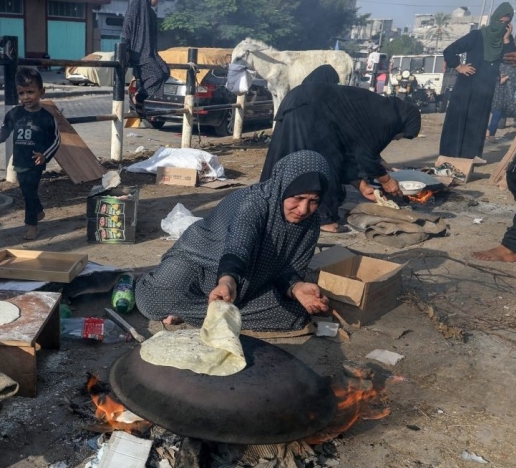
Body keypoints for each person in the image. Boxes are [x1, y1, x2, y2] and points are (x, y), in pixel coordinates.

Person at [135, 150, 331, 331]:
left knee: (294, 316)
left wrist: (296, 287)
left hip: (250, 283)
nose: (303, 209)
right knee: (153, 301)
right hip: (200, 263)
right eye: (297, 198)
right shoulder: (253, 203)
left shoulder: (310, 225)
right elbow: (238, 246)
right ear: (283, 186)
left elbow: (287, 272)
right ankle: (212, 310)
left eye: (313, 201)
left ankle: (198, 312)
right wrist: (228, 282)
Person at [260, 83, 422, 234]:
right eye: (402, 135)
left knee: (282, 155)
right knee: (327, 162)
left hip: (296, 99)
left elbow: (350, 152)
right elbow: (365, 157)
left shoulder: (379, 109)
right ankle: (325, 219)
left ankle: (265, 204)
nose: (398, 139)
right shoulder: (389, 118)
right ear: (405, 123)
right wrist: (386, 180)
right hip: (313, 107)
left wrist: (363, 187)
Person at [0, 68, 60, 240]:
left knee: (29, 192)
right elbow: (4, 132)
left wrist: (44, 155)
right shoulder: (14, 114)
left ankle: (31, 225)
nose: (26, 97)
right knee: (26, 191)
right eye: (21, 93)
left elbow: (56, 140)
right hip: (19, 161)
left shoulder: (47, 118)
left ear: (41, 92)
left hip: (35, 162)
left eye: (30, 92)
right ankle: (38, 211)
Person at [441, 2, 515, 160]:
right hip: (466, 87)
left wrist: (508, 39)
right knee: (458, 120)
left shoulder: (505, 42)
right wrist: (459, 66)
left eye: (506, 23)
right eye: (499, 21)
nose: (501, 25)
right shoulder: (477, 36)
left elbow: (511, 61)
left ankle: (470, 158)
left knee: (477, 124)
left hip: (485, 90)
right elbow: (449, 50)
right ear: (493, 19)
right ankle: (450, 156)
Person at [121, 0, 169, 116]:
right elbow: (127, 24)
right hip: (137, 51)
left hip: (150, 52)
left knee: (165, 71)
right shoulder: (136, 4)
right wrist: (125, 49)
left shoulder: (150, 12)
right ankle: (138, 97)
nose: (158, 1)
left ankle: (139, 97)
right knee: (158, 74)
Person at [487, 63, 516, 141]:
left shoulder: (505, 67)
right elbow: (500, 81)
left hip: (504, 99)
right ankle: (490, 134)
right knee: (496, 116)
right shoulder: (504, 68)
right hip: (499, 99)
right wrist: (507, 76)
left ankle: (490, 133)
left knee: (498, 117)